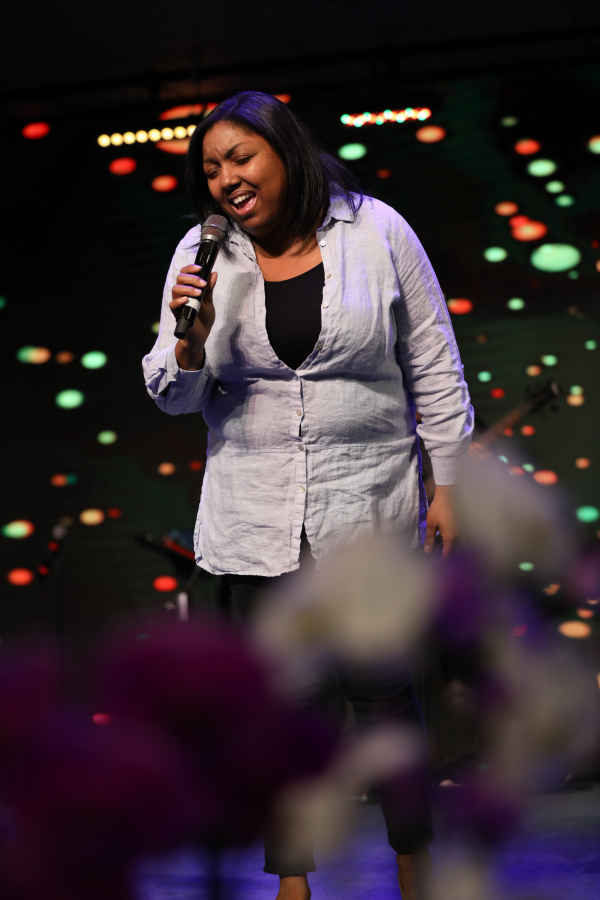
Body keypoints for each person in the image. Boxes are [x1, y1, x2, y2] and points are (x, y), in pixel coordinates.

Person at [142, 91, 474, 900]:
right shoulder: (203, 252)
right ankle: (292, 881)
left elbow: (434, 359)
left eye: (240, 157)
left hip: (368, 508)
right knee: (282, 714)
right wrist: (192, 339)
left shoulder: (377, 230)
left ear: (285, 152)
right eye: (210, 168)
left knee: (385, 698)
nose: (225, 178)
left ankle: (415, 862)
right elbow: (171, 394)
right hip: (254, 518)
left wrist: (449, 483)